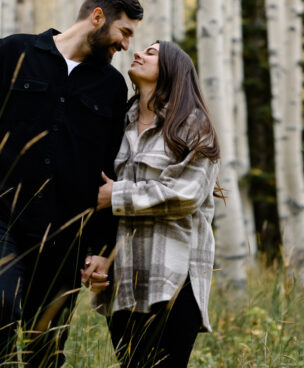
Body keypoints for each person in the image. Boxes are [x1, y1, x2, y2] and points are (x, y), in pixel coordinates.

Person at [0, 0, 144, 368]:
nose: (126, 45)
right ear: (97, 17)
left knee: (43, 348)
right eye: (124, 32)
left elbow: (111, 170)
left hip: (67, 236)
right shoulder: (15, 51)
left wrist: (101, 249)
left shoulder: (111, 87)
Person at [92, 40, 221, 368]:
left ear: (172, 71)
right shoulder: (117, 123)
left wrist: (117, 196)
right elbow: (97, 196)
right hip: (124, 280)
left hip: (175, 278)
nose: (138, 53)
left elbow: (184, 195)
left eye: (151, 53)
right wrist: (98, 255)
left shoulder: (193, 125)